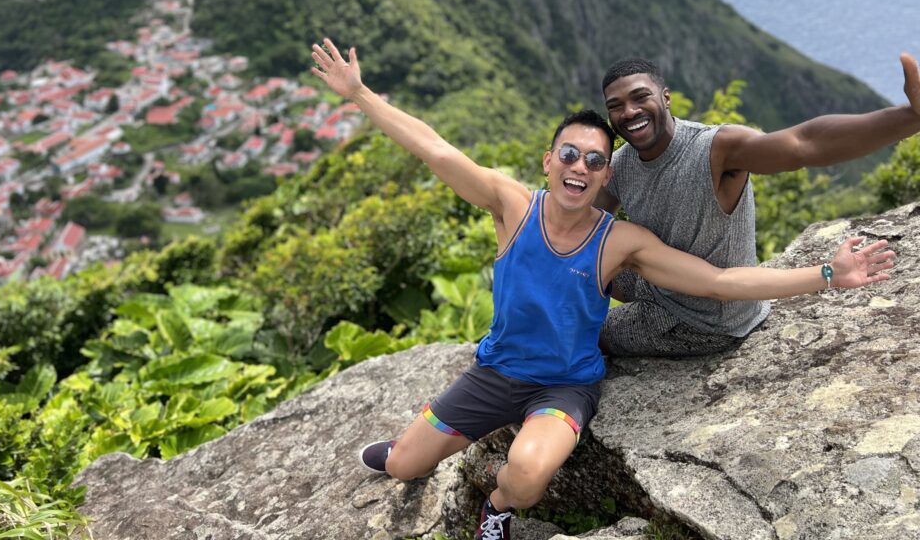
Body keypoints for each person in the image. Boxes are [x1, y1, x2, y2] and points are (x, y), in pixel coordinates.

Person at [310, 39, 895, 540]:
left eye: (594, 159)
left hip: (564, 387)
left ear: (605, 174)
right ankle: (415, 444)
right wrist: (360, 94)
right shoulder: (510, 205)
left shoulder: (623, 238)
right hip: (495, 373)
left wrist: (826, 275)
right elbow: (432, 146)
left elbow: (719, 279)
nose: (580, 166)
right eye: (570, 154)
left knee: (528, 475)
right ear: (548, 161)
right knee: (404, 465)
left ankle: (496, 508)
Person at [597, 53, 920, 358]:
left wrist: (908, 119)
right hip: (667, 282)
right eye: (616, 106)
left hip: (708, 319)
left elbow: (805, 143)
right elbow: (584, 231)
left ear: (665, 98)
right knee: (595, 269)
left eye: (641, 97)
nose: (629, 112)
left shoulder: (715, 150)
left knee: (583, 332)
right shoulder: (622, 163)